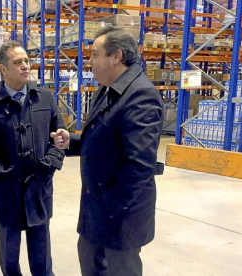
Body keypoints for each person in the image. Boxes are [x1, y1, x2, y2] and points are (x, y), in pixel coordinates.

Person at [51, 26, 164, 275]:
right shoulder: (107, 88)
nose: (89, 61)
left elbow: (139, 166)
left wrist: (114, 212)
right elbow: (104, 138)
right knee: (89, 263)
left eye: (94, 54)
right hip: (97, 209)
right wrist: (72, 141)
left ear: (116, 56)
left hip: (120, 217)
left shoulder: (140, 96)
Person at [0, 40, 65, 276]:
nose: (26, 66)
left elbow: (60, 136)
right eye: (18, 62)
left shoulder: (44, 98)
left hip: (39, 191)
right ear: (3, 69)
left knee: (42, 262)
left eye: (26, 61)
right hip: (7, 193)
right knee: (10, 261)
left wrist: (49, 165)